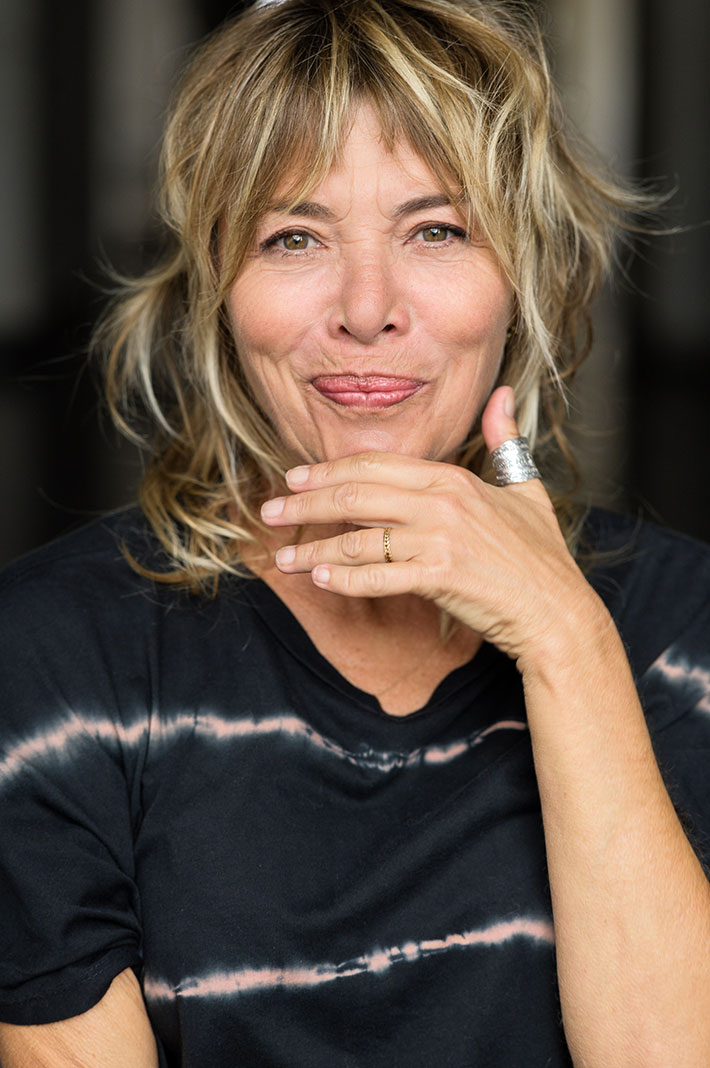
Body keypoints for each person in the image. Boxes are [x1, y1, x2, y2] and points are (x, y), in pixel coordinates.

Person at [0, 0, 709, 1065]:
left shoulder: (681, 630)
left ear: (524, 274)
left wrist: (567, 640)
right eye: (294, 237)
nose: (366, 308)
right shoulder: (55, 655)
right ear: (218, 291)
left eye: (437, 230)